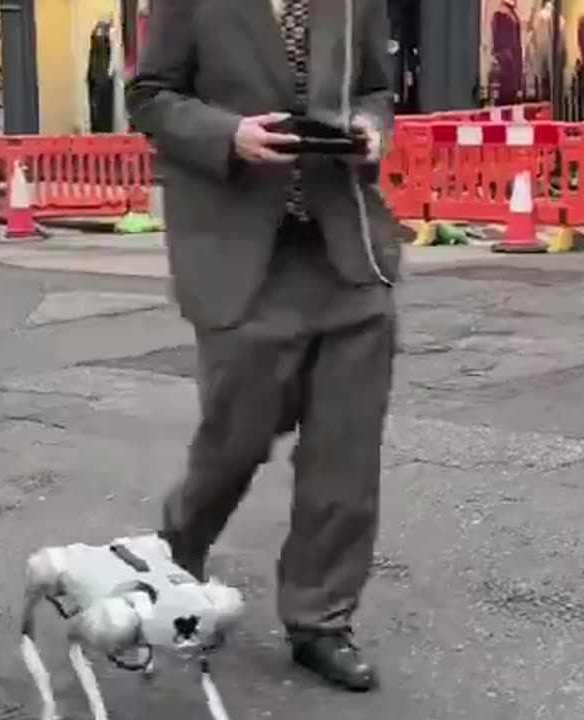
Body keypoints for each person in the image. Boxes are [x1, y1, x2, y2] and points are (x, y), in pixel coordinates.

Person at [126, 0, 402, 693]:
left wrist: (371, 126)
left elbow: (374, 87)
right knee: (236, 438)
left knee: (346, 455)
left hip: (346, 251)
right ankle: (174, 555)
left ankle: (320, 620)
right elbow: (150, 96)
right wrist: (230, 135)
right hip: (241, 254)